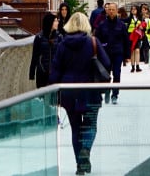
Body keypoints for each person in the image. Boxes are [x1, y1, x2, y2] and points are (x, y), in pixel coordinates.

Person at [51, 11, 109, 175]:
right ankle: (86, 150)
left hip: (69, 92)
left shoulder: (62, 44)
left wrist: (52, 91)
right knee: (91, 124)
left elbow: (56, 69)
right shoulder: (93, 42)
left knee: (75, 128)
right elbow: (106, 63)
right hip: (90, 91)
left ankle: (79, 166)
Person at [93, 2, 128, 103]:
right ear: (107, 11)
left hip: (118, 53)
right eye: (110, 10)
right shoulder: (102, 25)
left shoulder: (122, 25)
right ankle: (107, 89)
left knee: (117, 73)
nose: (111, 11)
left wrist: (127, 55)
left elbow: (126, 41)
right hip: (105, 53)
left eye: (113, 10)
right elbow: (97, 39)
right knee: (106, 74)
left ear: (117, 11)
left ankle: (115, 95)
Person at [28, 12, 57, 88]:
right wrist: (32, 73)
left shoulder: (59, 37)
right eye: (55, 21)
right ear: (50, 22)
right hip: (42, 72)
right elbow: (35, 56)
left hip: (55, 72)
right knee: (42, 94)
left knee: (54, 94)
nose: (57, 23)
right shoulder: (39, 37)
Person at [128, 5, 150, 72]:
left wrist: (142, 28)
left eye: (135, 9)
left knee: (137, 50)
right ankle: (133, 66)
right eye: (132, 9)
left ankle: (137, 66)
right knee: (132, 51)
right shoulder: (129, 18)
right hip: (131, 37)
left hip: (138, 37)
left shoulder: (140, 18)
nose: (133, 10)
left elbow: (144, 27)